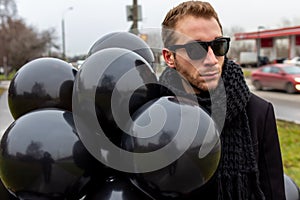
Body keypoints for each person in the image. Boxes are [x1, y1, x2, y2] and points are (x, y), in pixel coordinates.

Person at [159, 1, 286, 199]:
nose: (211, 60)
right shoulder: (154, 113)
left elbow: (272, 192)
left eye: (218, 46)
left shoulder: (258, 112)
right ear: (169, 58)